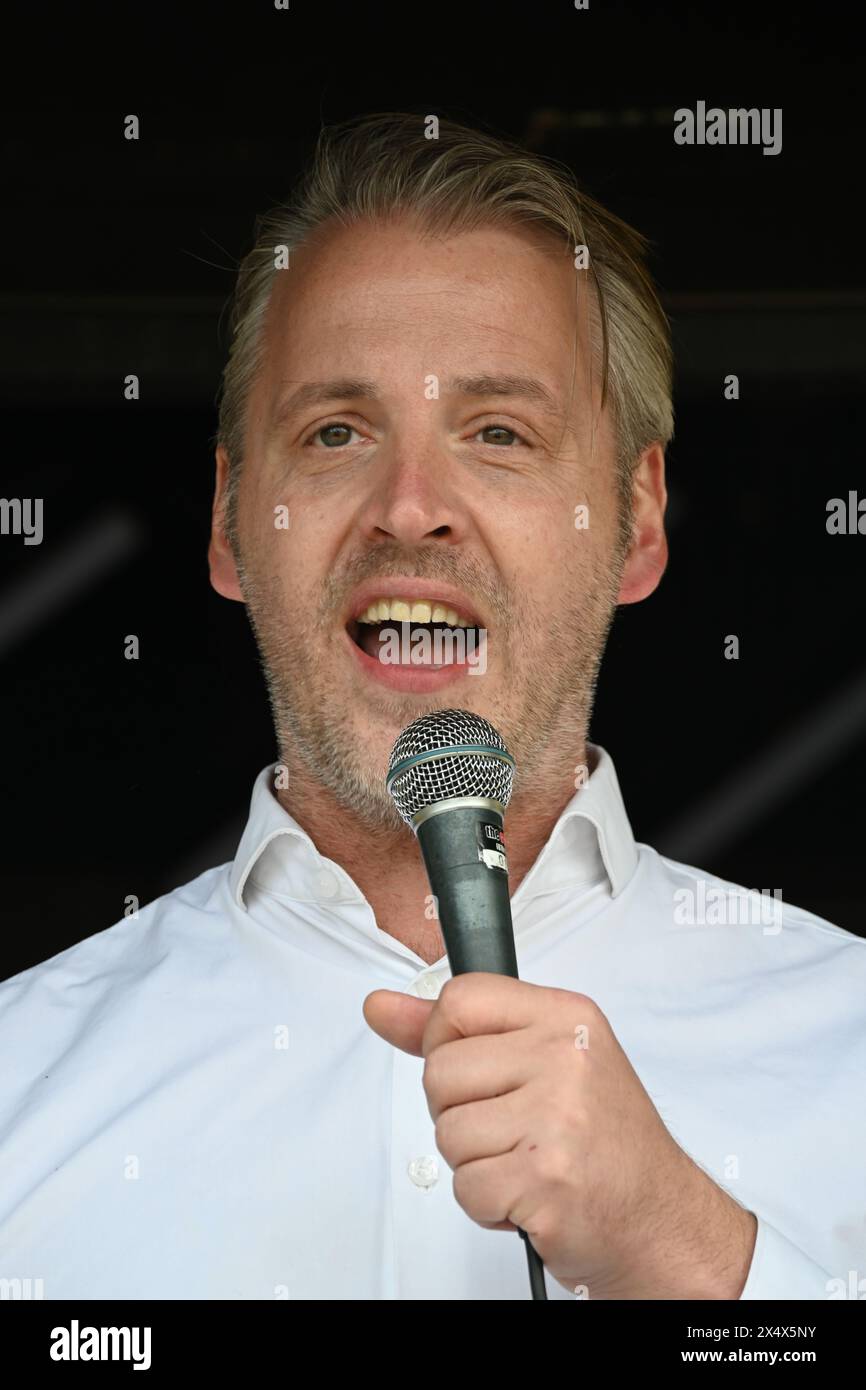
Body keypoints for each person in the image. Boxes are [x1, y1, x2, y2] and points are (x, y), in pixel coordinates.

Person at [1, 112, 863, 1302]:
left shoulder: (848, 1042)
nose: (410, 507)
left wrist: (688, 1255)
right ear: (229, 520)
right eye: (336, 431)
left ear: (636, 521)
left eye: (498, 432)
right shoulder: (20, 1074)